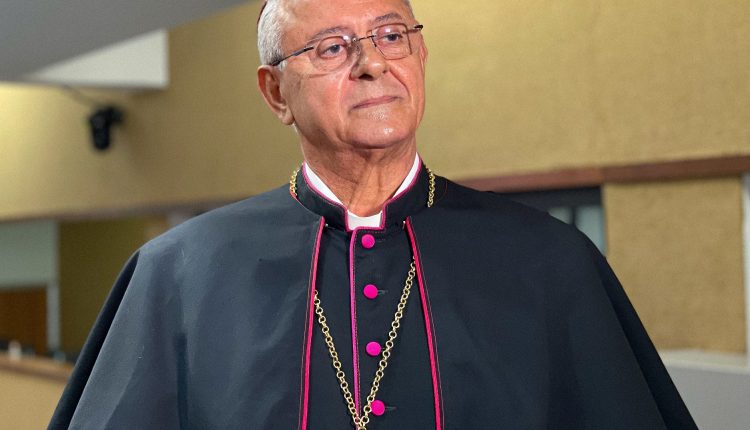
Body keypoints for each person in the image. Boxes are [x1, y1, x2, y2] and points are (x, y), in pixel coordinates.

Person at [50, 0, 697, 428]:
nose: (373, 63)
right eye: (331, 48)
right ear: (275, 93)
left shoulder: (550, 259)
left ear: (420, 57)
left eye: (392, 35)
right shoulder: (176, 273)